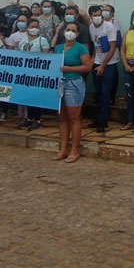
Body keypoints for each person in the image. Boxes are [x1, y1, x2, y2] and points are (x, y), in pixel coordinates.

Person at [53, 22, 93, 163]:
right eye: (67, 30)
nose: (70, 32)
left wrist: (70, 69)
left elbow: (87, 66)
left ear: (77, 34)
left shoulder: (81, 48)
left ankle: (74, 150)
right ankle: (63, 149)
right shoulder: (58, 48)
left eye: (73, 30)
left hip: (73, 84)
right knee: (62, 118)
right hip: (59, 85)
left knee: (74, 117)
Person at [88, 5, 119, 132]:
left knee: (105, 92)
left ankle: (103, 121)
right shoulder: (91, 27)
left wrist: (103, 65)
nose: (96, 17)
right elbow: (95, 45)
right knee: (98, 92)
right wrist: (93, 59)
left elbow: (112, 48)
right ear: (90, 16)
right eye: (94, 15)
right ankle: (98, 119)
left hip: (109, 63)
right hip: (97, 62)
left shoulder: (109, 27)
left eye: (98, 15)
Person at [19, 19, 51, 130]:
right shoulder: (23, 40)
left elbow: (46, 57)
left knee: (37, 97)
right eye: (32, 26)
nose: (34, 29)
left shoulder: (42, 40)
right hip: (25, 72)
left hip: (38, 73)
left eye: (36, 26)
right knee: (28, 96)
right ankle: (29, 118)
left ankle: (37, 119)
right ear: (27, 27)